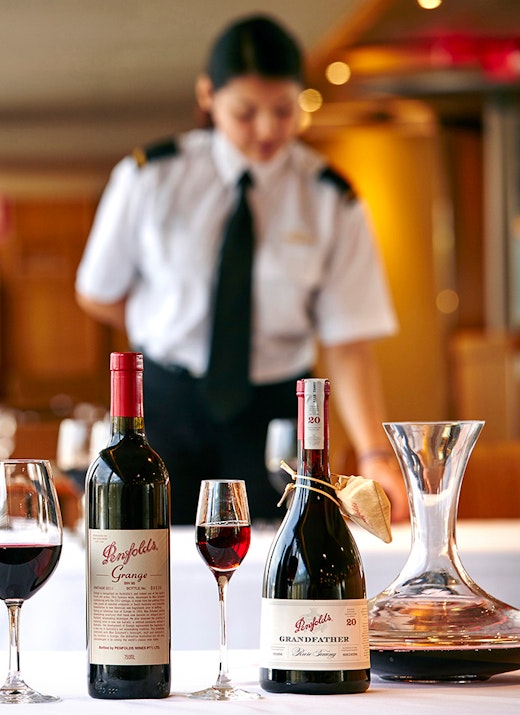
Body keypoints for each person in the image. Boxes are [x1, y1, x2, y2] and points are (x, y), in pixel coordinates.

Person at [75, 14, 405, 527]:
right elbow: (97, 292)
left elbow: (348, 340)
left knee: (280, 563)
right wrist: (162, 319)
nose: (269, 129)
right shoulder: (151, 178)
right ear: (208, 96)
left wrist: (374, 456)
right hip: (165, 402)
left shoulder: (329, 199)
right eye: (246, 112)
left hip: (276, 407)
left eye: (283, 110)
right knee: (152, 559)